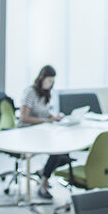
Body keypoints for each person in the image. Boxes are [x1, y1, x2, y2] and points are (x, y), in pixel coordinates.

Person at [18, 64, 69, 194]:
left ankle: (43, 173)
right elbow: (24, 117)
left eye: (53, 81)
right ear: (41, 78)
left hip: (42, 131)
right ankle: (44, 183)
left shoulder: (45, 94)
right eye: (49, 80)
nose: (51, 84)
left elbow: (44, 113)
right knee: (57, 151)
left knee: (65, 154)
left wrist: (54, 117)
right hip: (27, 132)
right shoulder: (30, 92)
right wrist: (46, 121)